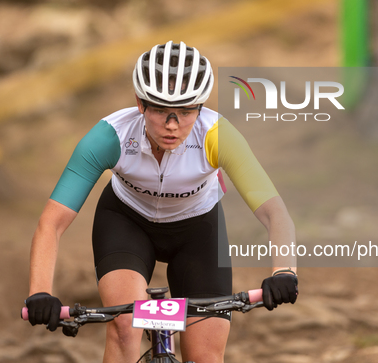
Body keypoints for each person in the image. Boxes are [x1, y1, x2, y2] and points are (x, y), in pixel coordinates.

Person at [25, 41, 298, 363]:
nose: (172, 125)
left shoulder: (218, 135)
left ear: (200, 107)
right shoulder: (110, 136)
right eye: (160, 111)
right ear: (140, 104)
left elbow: (274, 213)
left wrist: (284, 272)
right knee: (127, 326)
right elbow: (52, 221)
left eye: (185, 112)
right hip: (127, 223)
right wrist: (39, 292)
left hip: (198, 231)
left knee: (205, 355)